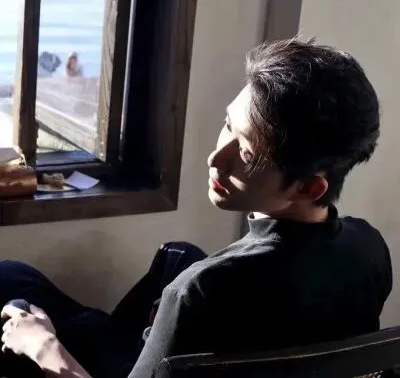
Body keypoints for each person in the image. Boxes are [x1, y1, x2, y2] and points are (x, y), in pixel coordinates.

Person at [0, 39, 392, 378]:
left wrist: (44, 347)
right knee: (178, 255)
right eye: (228, 124)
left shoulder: (198, 292)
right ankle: (121, 335)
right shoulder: (370, 249)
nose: (215, 159)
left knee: (11, 281)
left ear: (308, 186)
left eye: (246, 153)